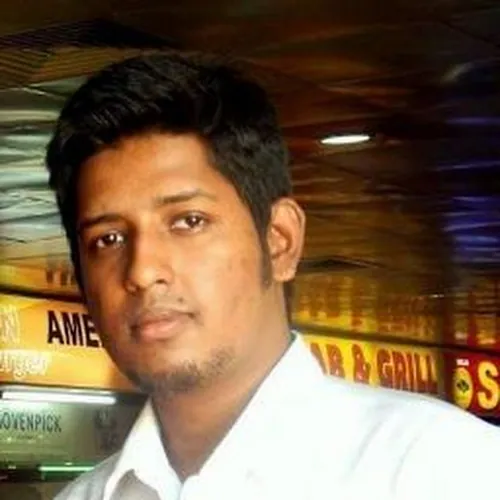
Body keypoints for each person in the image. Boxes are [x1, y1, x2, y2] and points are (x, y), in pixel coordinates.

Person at [46, 52, 500, 500]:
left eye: (189, 221)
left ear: (280, 240)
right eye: (107, 239)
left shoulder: (442, 469)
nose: (143, 270)